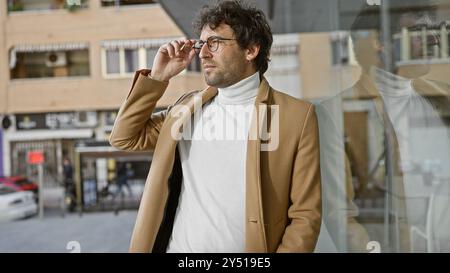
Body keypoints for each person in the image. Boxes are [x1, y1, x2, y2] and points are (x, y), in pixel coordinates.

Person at [109, 0, 321, 253]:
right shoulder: (186, 110)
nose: (202, 53)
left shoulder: (296, 116)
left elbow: (305, 215)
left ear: (251, 50)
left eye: (215, 43)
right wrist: (157, 78)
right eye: (201, 44)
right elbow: (124, 138)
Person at [316, 0, 450, 252]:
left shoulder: (442, 98)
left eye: (433, 30)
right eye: (418, 32)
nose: (433, 39)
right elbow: (340, 213)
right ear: (380, 42)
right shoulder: (337, 113)